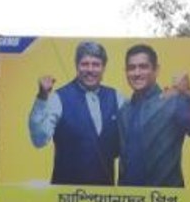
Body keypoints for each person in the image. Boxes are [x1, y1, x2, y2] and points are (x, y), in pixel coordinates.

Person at [117, 43, 190, 188]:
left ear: (156, 70)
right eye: (132, 68)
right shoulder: (124, 110)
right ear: (126, 72)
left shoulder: (173, 102)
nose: (137, 73)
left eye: (143, 67)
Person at [28, 40, 124, 185]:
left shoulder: (117, 97)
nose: (90, 69)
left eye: (96, 64)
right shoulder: (58, 98)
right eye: (85, 64)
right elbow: (39, 140)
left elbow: (133, 138)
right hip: (64, 199)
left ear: (103, 67)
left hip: (104, 200)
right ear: (76, 66)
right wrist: (42, 98)